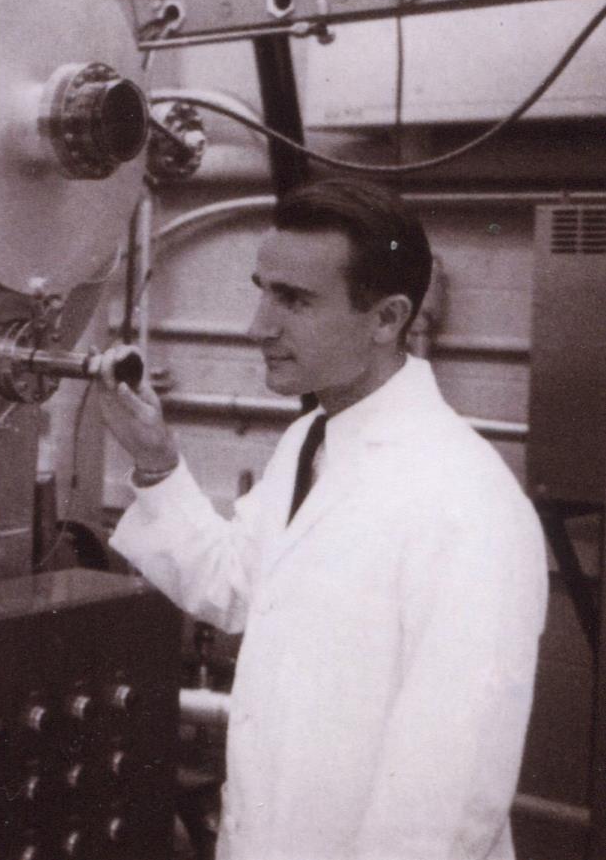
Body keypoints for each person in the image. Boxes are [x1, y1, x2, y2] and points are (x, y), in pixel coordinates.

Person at [98, 178, 547, 860]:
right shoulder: (309, 440)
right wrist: (157, 462)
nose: (257, 325)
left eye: (294, 300)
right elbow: (233, 583)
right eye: (262, 288)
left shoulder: (464, 500)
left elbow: (445, 799)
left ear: (387, 317)